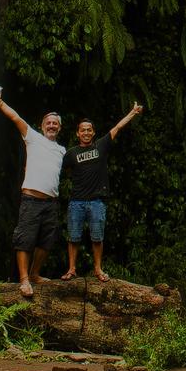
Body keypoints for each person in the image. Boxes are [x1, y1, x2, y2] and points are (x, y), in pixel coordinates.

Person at [0, 85, 65, 297]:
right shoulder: (32, 137)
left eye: (55, 124)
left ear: (59, 128)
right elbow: (15, 118)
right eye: (48, 123)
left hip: (51, 202)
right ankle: (23, 280)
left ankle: (34, 274)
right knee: (25, 239)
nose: (52, 125)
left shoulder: (62, 150)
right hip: (31, 199)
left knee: (46, 242)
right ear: (42, 126)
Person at [60, 101, 143, 282]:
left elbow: (117, 128)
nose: (86, 132)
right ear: (77, 133)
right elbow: (59, 170)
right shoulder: (71, 153)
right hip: (76, 201)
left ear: (94, 132)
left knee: (97, 237)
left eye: (89, 129)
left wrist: (133, 112)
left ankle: (98, 269)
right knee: (73, 237)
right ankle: (72, 269)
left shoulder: (101, 146)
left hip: (97, 201)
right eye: (83, 130)